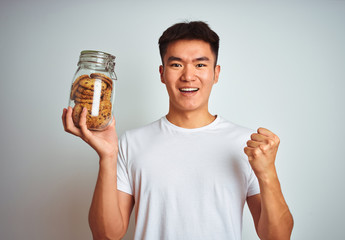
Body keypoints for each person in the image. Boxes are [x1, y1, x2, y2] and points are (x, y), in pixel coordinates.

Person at [62, 21, 293, 240]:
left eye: (200, 64)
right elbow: (106, 236)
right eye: (176, 64)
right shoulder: (131, 142)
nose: (188, 76)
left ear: (216, 73)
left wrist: (267, 172)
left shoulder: (246, 144)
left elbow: (278, 237)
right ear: (162, 73)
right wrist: (107, 156)